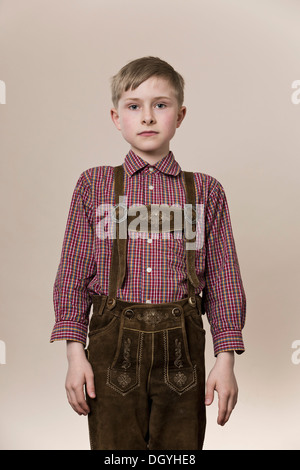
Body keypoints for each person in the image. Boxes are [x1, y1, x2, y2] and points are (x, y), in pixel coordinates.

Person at [50, 56, 246, 450]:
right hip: (111, 347)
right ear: (115, 116)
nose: (148, 117)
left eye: (161, 104)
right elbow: (72, 273)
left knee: (179, 453)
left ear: (180, 114)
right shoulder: (94, 185)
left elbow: (224, 279)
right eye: (133, 106)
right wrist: (76, 355)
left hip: (183, 353)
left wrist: (226, 360)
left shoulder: (206, 192)